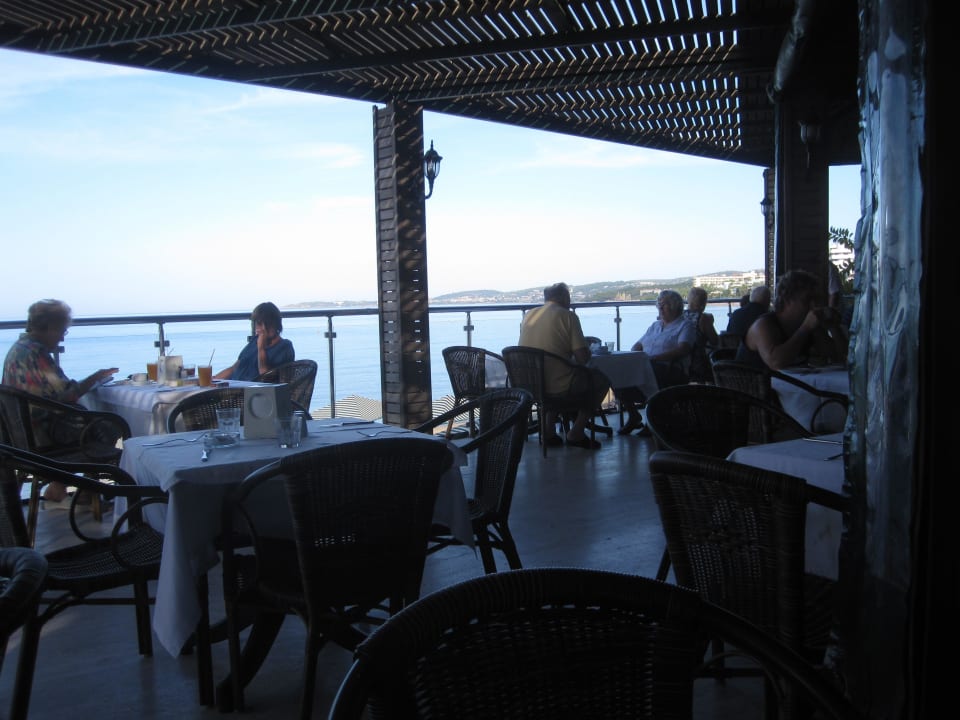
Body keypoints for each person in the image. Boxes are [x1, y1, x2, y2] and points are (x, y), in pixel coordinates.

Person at [2, 299, 118, 502]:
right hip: (42, 436)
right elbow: (68, 394)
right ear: (51, 328)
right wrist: (95, 377)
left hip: (18, 435)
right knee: (109, 425)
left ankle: (59, 487)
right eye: (62, 331)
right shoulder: (36, 353)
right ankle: (87, 492)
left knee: (90, 422)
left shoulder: (19, 348)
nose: (62, 338)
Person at [517, 282, 611, 450]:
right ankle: (576, 431)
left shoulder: (529, 316)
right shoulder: (568, 316)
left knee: (557, 373)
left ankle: (548, 431)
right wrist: (587, 351)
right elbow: (582, 358)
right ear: (564, 298)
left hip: (531, 385)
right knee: (600, 381)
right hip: (558, 385)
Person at [736, 269, 848, 371]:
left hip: (788, 390)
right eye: (807, 300)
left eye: (816, 300)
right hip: (753, 391)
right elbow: (776, 362)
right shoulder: (763, 325)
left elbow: (840, 356)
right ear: (787, 299)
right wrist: (805, 328)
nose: (814, 305)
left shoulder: (809, 324)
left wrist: (833, 326)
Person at [618, 289, 696, 435]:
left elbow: (683, 349)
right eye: (659, 304)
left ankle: (653, 421)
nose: (660, 308)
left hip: (669, 369)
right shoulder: (655, 326)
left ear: (675, 306)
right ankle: (634, 415)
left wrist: (655, 358)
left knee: (651, 372)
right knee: (618, 375)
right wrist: (635, 356)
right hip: (646, 365)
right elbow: (638, 344)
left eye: (664, 305)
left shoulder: (685, 325)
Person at [215, 302, 295, 381]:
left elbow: (266, 378)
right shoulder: (254, 342)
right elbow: (235, 367)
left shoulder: (284, 347)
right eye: (259, 324)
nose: (263, 328)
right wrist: (212, 380)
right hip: (233, 387)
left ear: (276, 324)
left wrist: (261, 349)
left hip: (255, 392)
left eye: (268, 324)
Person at [683, 287, 719, 383]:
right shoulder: (704, 318)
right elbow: (714, 341)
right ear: (704, 302)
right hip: (697, 361)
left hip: (680, 359)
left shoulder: (679, 316)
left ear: (688, 300)